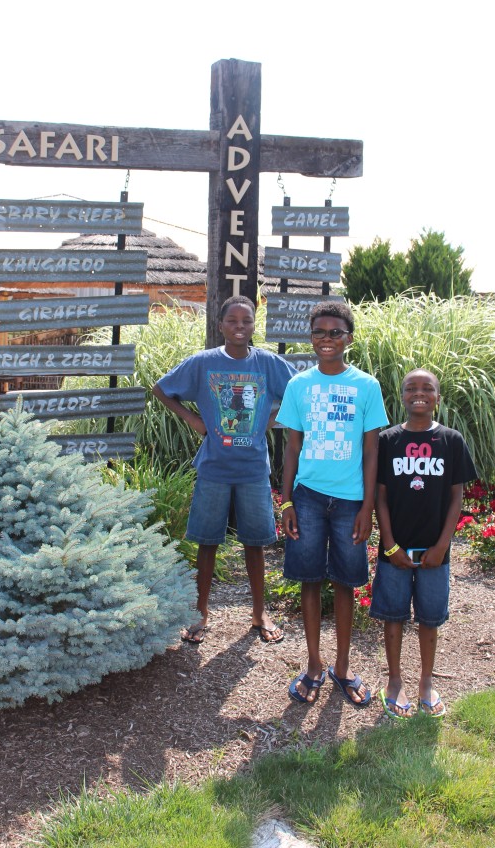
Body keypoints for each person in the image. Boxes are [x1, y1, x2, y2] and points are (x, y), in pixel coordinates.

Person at [151, 295, 297, 645]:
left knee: (255, 543)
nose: (239, 327)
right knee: (207, 542)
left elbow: (299, 394)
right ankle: (200, 612)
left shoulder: (268, 364)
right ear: (220, 326)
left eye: (246, 321)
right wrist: (193, 420)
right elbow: (161, 389)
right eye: (232, 321)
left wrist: (271, 420)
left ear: (254, 325)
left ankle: (259, 613)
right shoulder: (203, 363)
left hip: (252, 470)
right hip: (214, 468)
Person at [277, 301, 388, 705]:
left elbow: (372, 451)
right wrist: (286, 501)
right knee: (309, 579)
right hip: (307, 497)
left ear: (349, 338)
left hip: (350, 501)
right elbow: (292, 447)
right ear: (311, 338)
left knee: (345, 582)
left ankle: (342, 666)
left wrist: (366, 508)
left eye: (335, 332)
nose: (327, 339)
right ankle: (313, 664)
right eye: (320, 332)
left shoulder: (367, 386)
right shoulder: (299, 386)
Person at [370, 368, 477, 719]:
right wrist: (390, 546)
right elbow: (380, 497)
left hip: (435, 552)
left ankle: (426, 682)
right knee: (393, 616)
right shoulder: (388, 441)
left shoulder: (451, 440)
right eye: (411, 388)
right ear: (402, 396)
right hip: (395, 552)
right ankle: (395, 680)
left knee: (430, 618)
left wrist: (442, 545)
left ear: (437, 397)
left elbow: (456, 498)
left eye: (427, 388)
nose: (419, 393)